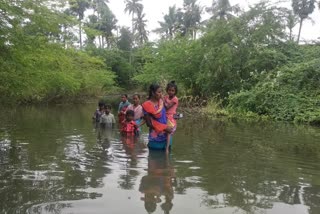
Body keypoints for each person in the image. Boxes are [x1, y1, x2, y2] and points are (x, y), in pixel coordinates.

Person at [142, 84, 172, 150]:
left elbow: (165, 115)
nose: (161, 94)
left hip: (167, 136)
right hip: (155, 139)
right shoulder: (146, 105)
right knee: (155, 158)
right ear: (153, 93)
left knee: (167, 158)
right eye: (159, 92)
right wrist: (164, 128)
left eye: (161, 92)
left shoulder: (162, 102)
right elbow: (149, 124)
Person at [163, 81, 179, 153]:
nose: (171, 92)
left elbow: (167, 107)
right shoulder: (165, 97)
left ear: (175, 92)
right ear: (167, 90)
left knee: (169, 132)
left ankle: (167, 148)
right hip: (164, 116)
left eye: (173, 91)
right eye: (169, 90)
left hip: (171, 117)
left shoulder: (175, 99)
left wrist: (162, 101)